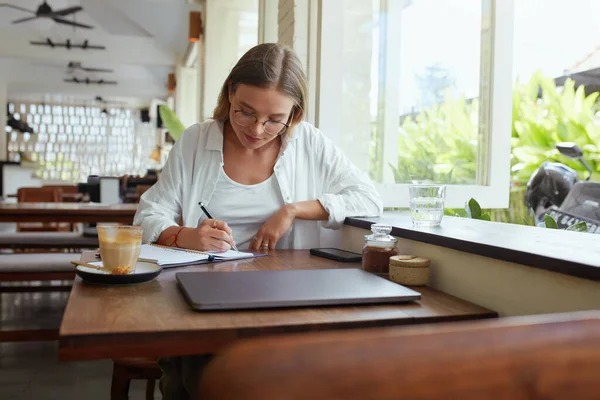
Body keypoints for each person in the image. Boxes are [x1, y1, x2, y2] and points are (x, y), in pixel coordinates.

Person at [133, 43, 382, 399]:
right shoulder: (194, 141)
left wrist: (293, 210)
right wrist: (187, 235)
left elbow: (369, 199)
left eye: (274, 119)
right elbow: (148, 215)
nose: (257, 129)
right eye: (245, 112)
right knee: (205, 374)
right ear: (230, 92)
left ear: (293, 113)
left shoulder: (308, 143)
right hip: (205, 298)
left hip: (285, 301)